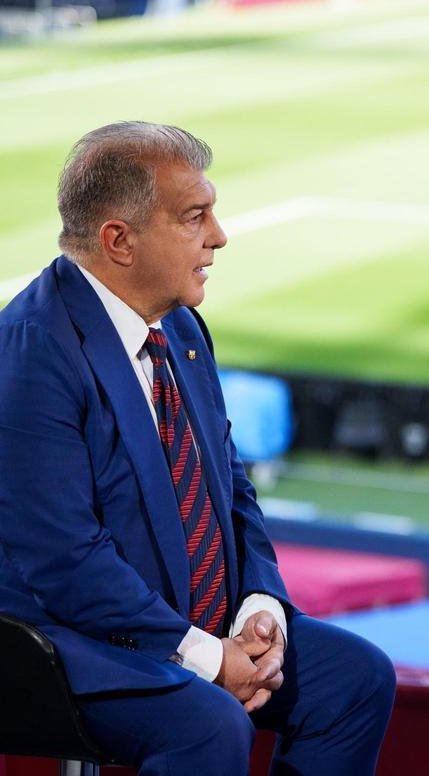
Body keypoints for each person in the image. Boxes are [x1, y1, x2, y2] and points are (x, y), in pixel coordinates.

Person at [0, 122, 397, 775]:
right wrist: (209, 658)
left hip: (191, 620)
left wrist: (260, 606)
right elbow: (64, 560)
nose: (219, 235)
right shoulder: (31, 353)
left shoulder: (179, 327)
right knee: (206, 726)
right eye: (195, 217)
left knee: (354, 679)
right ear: (118, 240)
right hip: (58, 643)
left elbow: (229, 487)